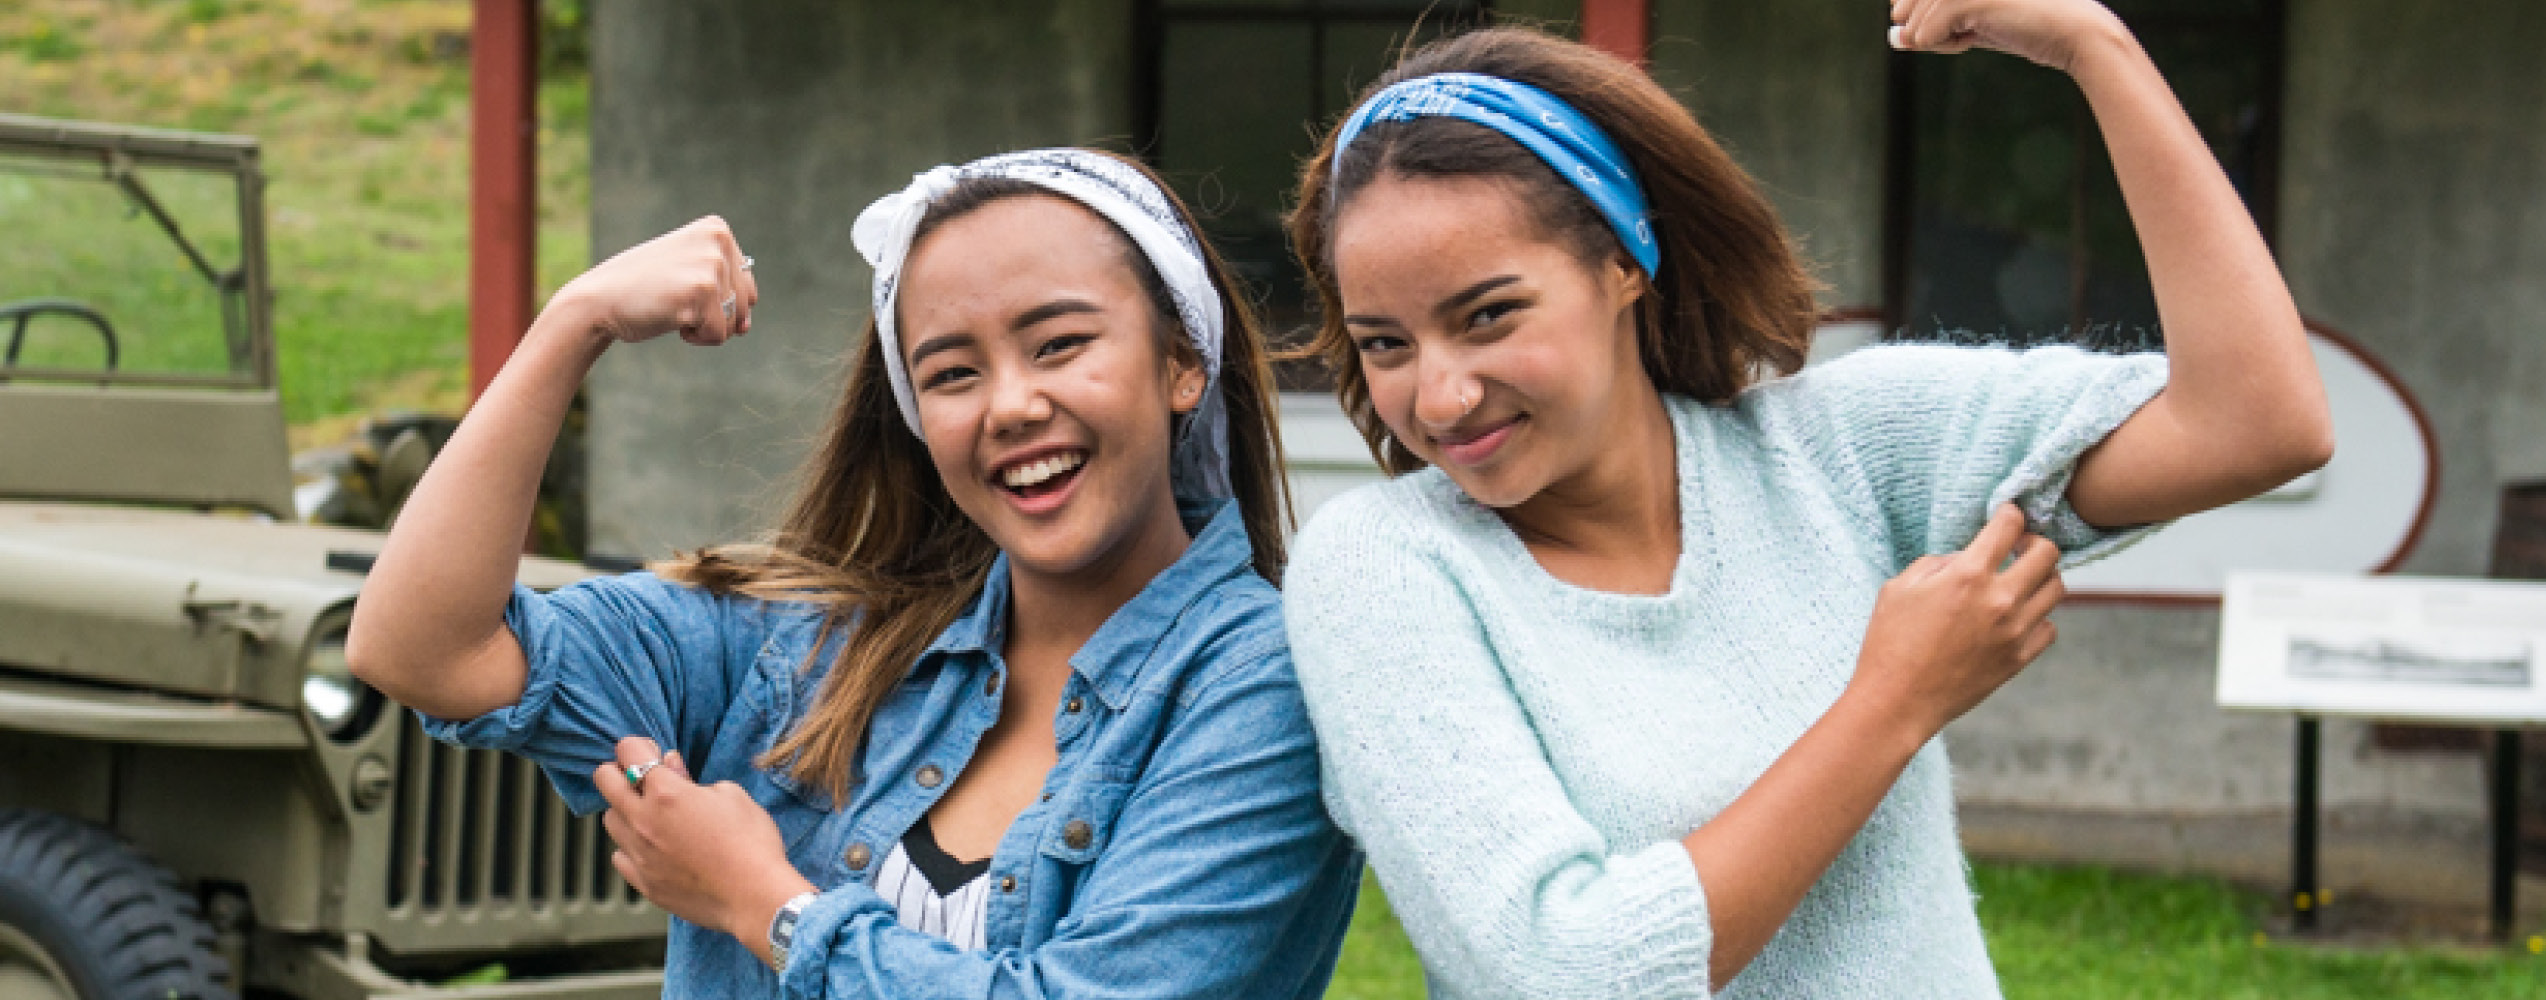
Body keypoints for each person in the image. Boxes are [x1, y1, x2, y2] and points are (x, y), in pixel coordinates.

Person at [1276, 2, 2335, 996]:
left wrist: (2093, 48)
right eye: (1384, 344)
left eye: (1489, 315)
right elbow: (1572, 972)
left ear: (1623, 261)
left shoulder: (1841, 452)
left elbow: (2256, 424)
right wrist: (1892, 701)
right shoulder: (1381, 569)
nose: (1442, 392)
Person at [346, 147, 1360, 998]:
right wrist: (577, 323)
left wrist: (765, 904)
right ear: (921, 421)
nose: (1008, 405)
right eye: (952, 373)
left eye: (1059, 344)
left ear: (1182, 362)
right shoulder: (808, 651)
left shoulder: (1265, 681)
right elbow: (426, 649)